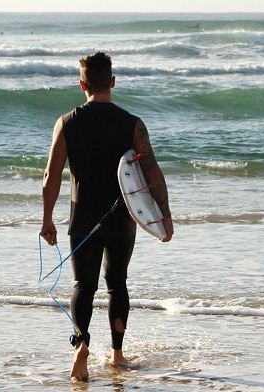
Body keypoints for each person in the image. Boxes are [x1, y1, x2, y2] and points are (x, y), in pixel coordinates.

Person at [40, 52, 174, 381]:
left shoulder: (67, 122)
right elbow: (153, 175)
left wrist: (47, 220)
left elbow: (51, 177)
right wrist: (164, 219)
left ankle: (81, 347)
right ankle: (117, 355)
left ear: (82, 84)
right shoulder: (132, 124)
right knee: (117, 285)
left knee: (83, 285)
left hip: (81, 219)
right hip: (122, 221)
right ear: (112, 82)